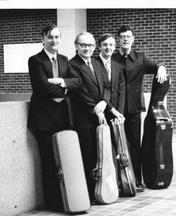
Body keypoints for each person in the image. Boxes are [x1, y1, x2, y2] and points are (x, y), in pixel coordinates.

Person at [27, 24, 79, 211]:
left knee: (63, 160)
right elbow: (42, 87)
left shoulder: (65, 60)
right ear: (43, 39)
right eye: (50, 37)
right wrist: (66, 88)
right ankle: (53, 202)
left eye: (57, 37)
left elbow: (77, 82)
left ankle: (66, 198)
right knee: (49, 161)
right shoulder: (35, 61)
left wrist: (60, 81)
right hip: (44, 119)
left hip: (63, 118)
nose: (54, 40)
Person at [112, 24, 167, 192]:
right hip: (116, 109)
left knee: (135, 145)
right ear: (118, 40)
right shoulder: (112, 58)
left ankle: (136, 179)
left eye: (128, 36)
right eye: (122, 37)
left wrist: (162, 66)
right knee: (117, 144)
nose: (126, 39)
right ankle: (118, 180)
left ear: (133, 39)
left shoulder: (140, 57)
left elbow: (155, 66)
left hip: (135, 109)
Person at [68, 31, 122, 203]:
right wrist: (96, 109)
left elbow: (107, 86)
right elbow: (79, 91)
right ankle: (89, 194)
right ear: (76, 46)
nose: (87, 48)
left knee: (101, 155)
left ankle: (101, 190)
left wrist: (105, 103)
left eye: (90, 45)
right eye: (83, 45)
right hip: (84, 119)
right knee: (87, 155)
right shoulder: (72, 65)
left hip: (100, 115)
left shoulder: (97, 64)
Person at [95, 33, 125, 125]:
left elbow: (121, 91)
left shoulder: (117, 66)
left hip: (115, 112)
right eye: (105, 45)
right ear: (99, 47)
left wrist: (119, 112)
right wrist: (112, 110)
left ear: (115, 47)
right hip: (100, 112)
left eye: (111, 45)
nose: (108, 47)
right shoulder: (93, 64)